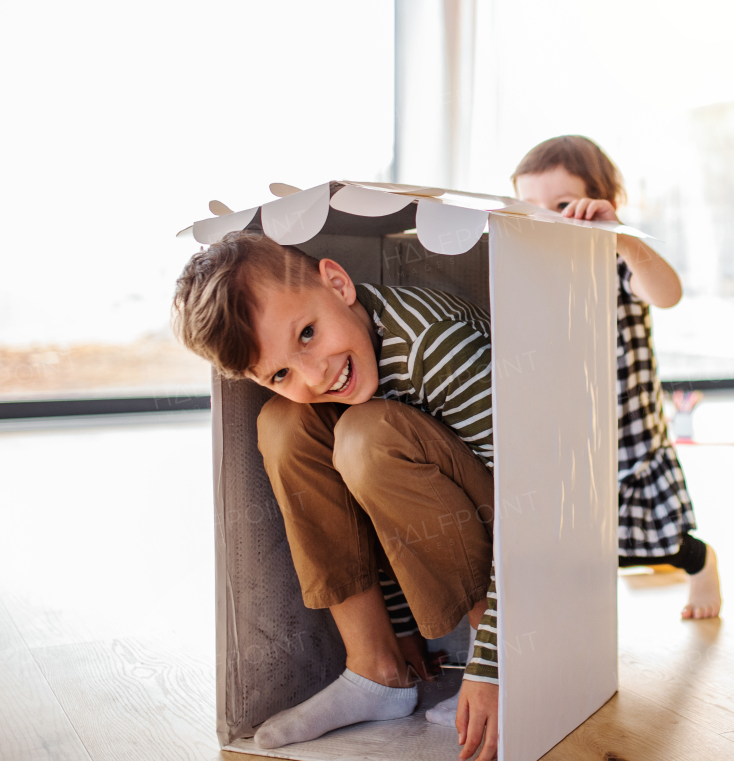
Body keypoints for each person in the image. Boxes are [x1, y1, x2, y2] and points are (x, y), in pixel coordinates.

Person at [172, 232, 500, 760]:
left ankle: (502, 659)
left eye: (307, 333)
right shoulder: (327, 380)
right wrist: (397, 624)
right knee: (284, 424)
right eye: (279, 372)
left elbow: (524, 499)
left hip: (516, 540)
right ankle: (378, 667)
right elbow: (370, 509)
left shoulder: (432, 345)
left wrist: (496, 663)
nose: (315, 373)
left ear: (338, 283)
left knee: (366, 437)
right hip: (439, 532)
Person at [512, 135, 722, 620]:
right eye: (531, 207)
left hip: (626, 427)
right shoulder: (529, 266)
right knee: (579, 544)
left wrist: (622, 238)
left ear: (602, 203)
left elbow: (667, 294)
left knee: (648, 539)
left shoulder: (614, 257)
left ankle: (699, 561)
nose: (549, 218)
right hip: (565, 433)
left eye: (563, 204)